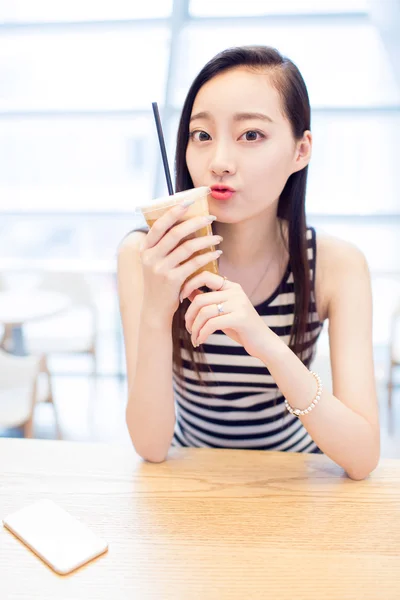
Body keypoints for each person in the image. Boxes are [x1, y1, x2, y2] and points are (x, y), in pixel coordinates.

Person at [117, 45, 380, 479]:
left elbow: (363, 456)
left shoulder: (337, 266)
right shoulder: (144, 256)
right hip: (189, 477)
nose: (218, 162)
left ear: (301, 150)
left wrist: (267, 344)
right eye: (202, 135)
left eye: (251, 135)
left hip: (294, 474)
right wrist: (158, 310)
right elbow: (150, 446)